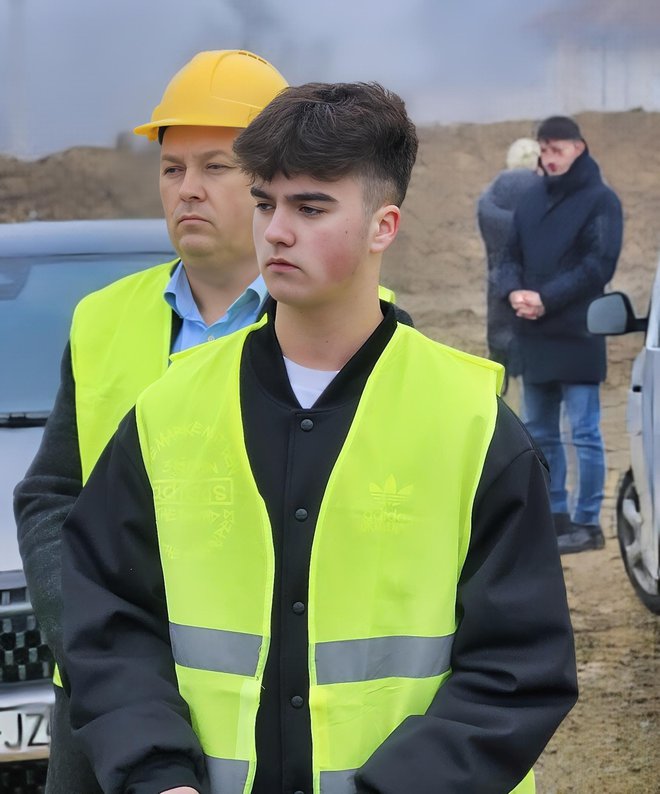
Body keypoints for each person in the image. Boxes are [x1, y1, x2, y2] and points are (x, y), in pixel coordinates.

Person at [60, 82, 577, 794]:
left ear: (383, 226)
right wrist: (158, 774)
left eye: (311, 207)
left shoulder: (472, 423)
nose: (274, 230)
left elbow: (518, 669)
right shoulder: (168, 409)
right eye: (267, 202)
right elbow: (106, 620)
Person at [13, 49, 289, 794]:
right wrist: (99, 649)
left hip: (268, 707)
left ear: (279, 177)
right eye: (173, 169)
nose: (188, 190)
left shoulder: (348, 324)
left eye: (216, 167)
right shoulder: (103, 321)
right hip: (111, 716)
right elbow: (50, 498)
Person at [497, 116, 623, 554]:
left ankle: (588, 523)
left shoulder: (601, 200)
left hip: (579, 331)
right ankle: (554, 514)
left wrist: (545, 297)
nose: (550, 158)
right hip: (534, 330)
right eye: (544, 150)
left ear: (579, 148)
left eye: (558, 149)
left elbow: (598, 265)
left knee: (584, 431)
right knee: (539, 431)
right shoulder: (531, 199)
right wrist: (514, 291)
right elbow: (508, 254)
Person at [477, 137, 542, 411]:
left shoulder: (489, 198)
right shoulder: (544, 194)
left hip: (500, 298)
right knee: (537, 394)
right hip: (537, 300)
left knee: (502, 392)